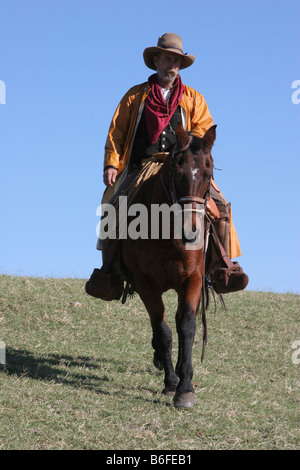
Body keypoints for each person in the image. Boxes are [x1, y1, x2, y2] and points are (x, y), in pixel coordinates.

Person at [85, 33, 247, 300]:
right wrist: (111, 164)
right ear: (156, 60)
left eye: (176, 61)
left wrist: (188, 151)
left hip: (182, 167)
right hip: (143, 166)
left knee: (220, 206)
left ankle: (222, 267)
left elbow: (203, 131)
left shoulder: (193, 98)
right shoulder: (135, 95)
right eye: (167, 58)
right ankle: (109, 273)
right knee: (113, 206)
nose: (172, 65)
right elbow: (117, 132)